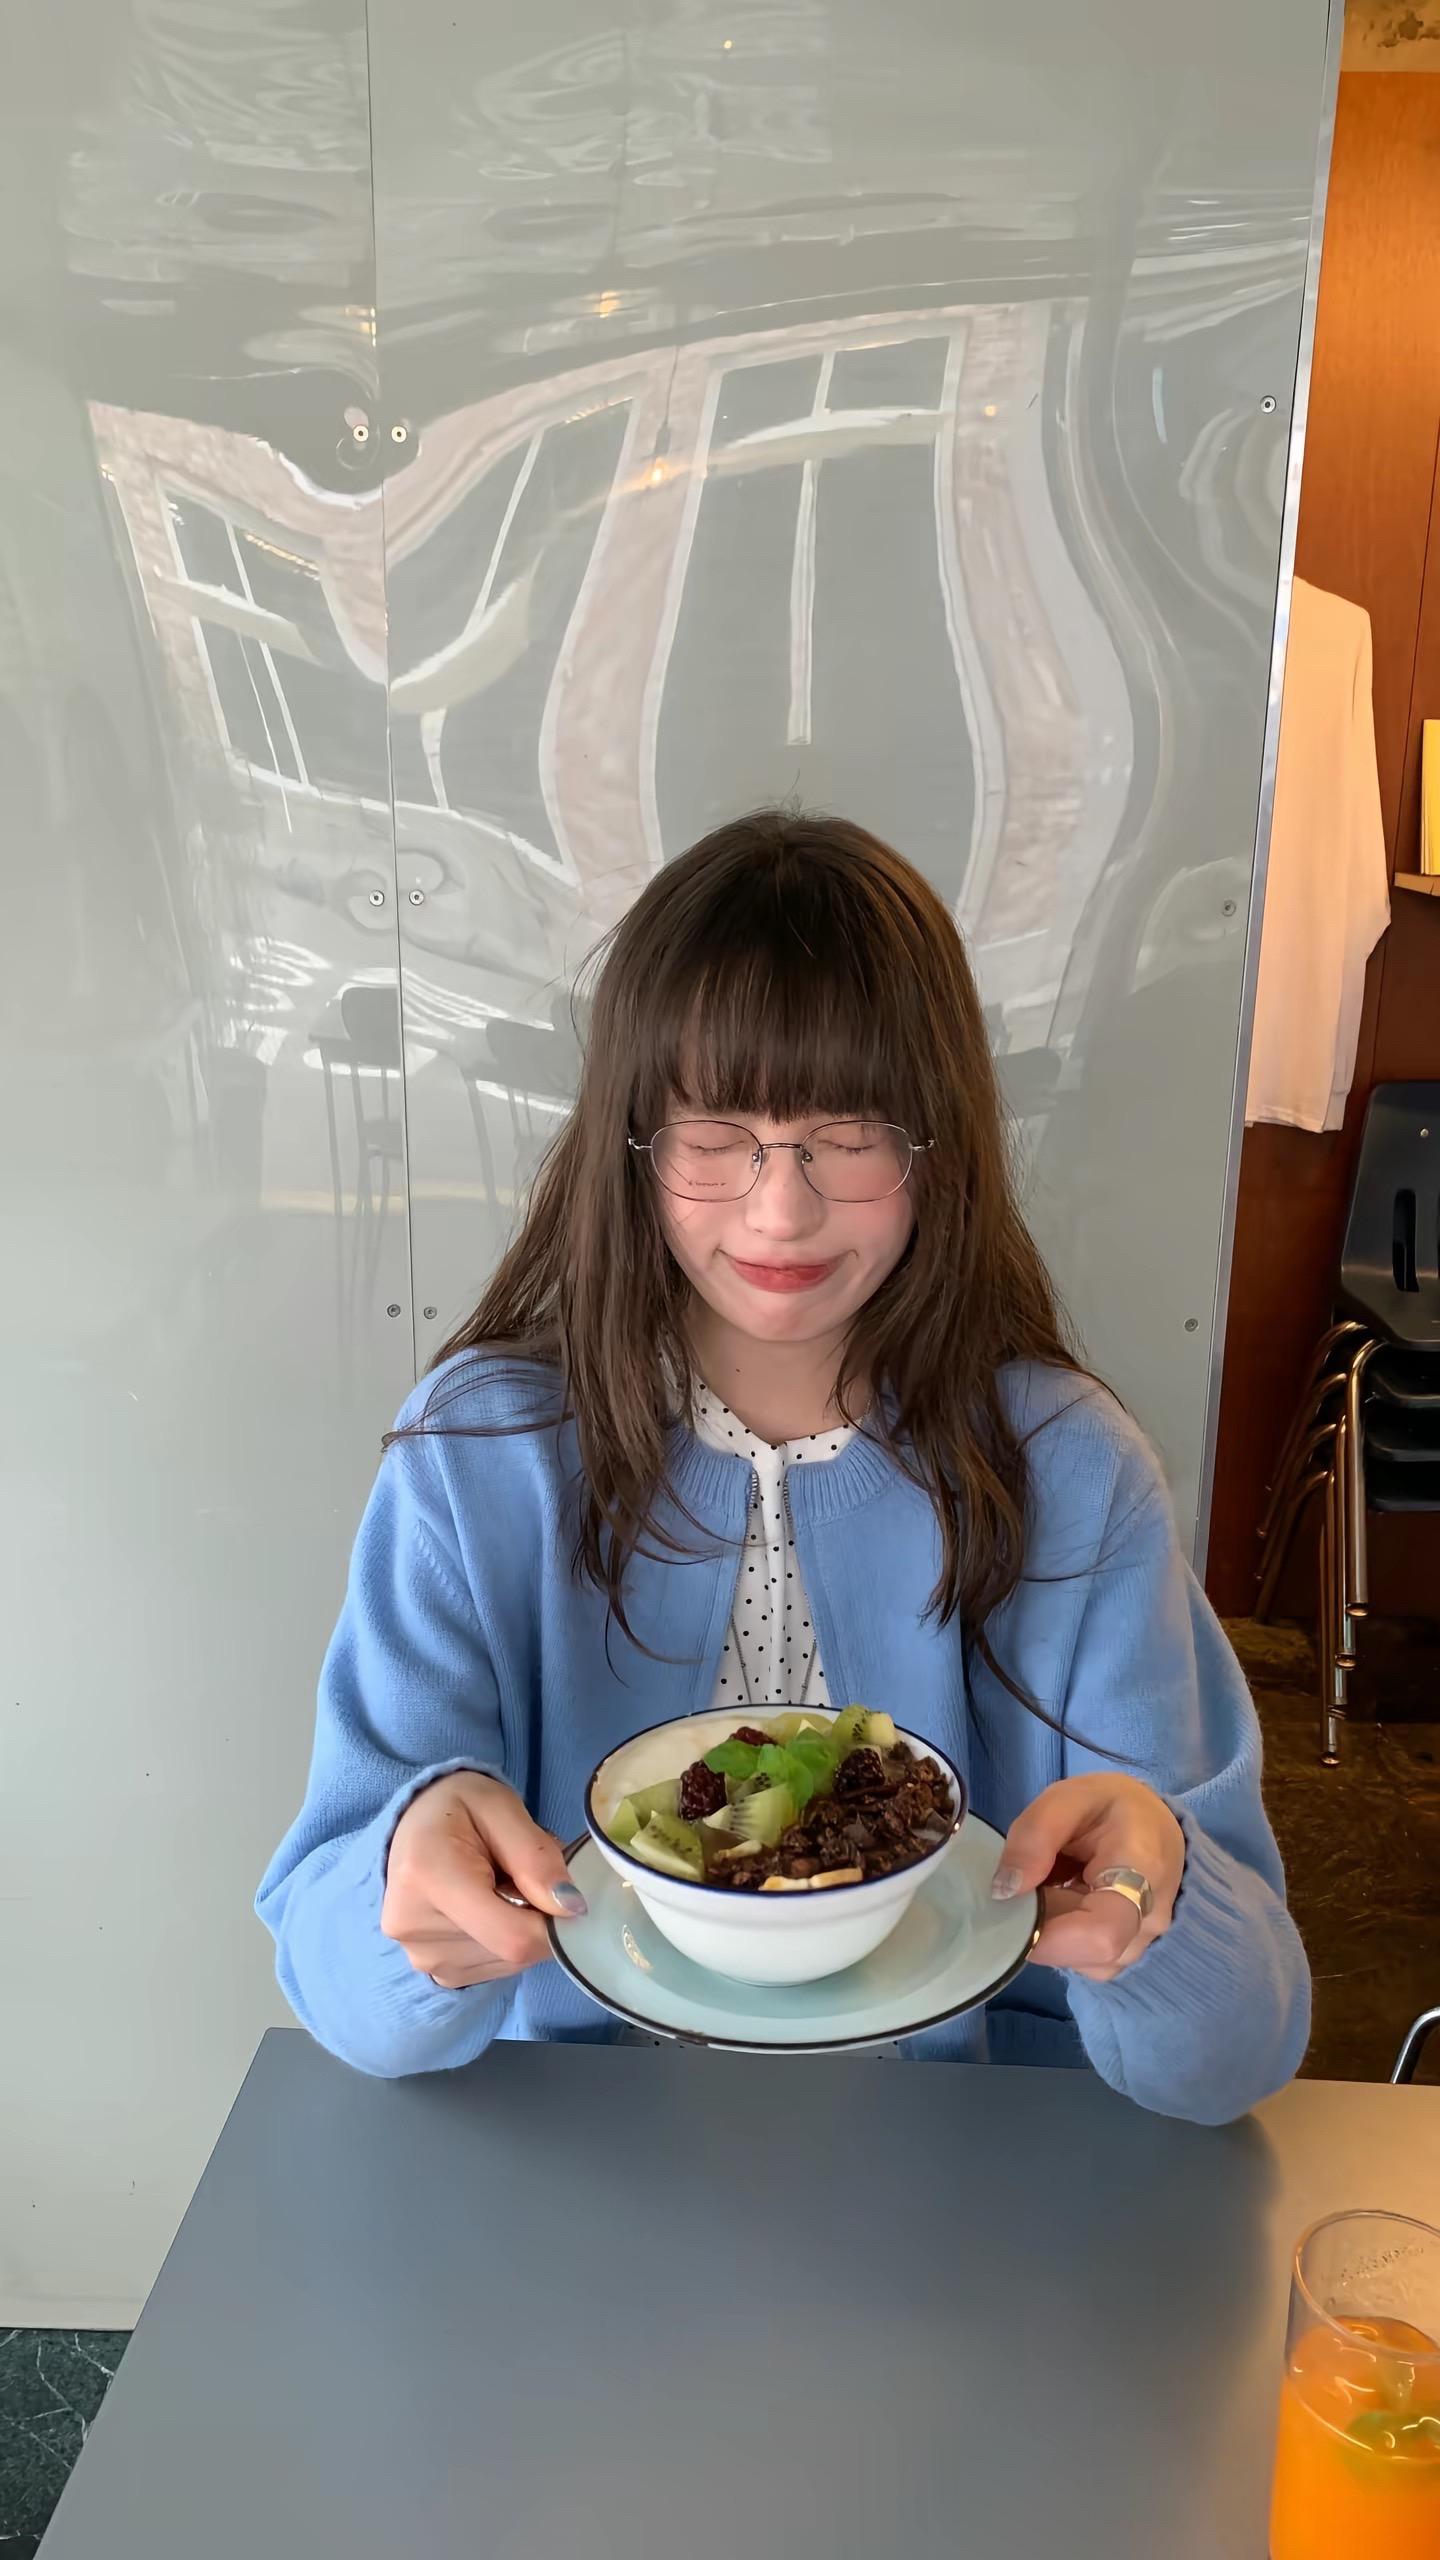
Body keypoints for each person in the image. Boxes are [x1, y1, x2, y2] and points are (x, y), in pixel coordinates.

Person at [257, 809, 1310, 2121]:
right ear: (634, 1142)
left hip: (966, 2164)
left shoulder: (1069, 1473)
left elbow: (1235, 2055)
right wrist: (405, 1884)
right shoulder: (481, 1459)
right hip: (582, 2151)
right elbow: (343, 1989)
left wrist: (1159, 1912)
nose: (781, 1208)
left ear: (938, 1145)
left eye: (849, 1133)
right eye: (715, 1133)